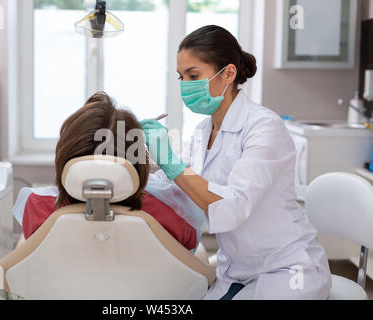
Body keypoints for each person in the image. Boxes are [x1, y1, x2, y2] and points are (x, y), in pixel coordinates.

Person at [140, 25, 332, 300]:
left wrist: (170, 161)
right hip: (236, 269)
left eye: (193, 75)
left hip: (287, 270)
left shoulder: (264, 126)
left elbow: (232, 206)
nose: (184, 85)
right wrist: (127, 175)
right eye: (181, 77)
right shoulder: (203, 132)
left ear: (228, 73)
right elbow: (174, 186)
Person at [12, 92, 203, 252]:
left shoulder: (38, 208)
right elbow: (189, 253)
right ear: (137, 161)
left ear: (65, 155)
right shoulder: (170, 216)